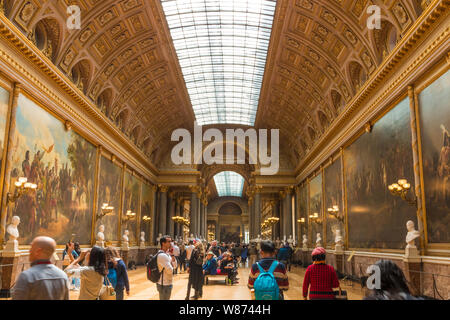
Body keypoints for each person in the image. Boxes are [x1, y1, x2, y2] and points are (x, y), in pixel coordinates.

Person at [156, 235, 177, 300]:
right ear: (163, 243)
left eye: (171, 241)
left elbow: (175, 266)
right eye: (169, 241)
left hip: (168, 282)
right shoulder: (162, 255)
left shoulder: (167, 254)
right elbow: (170, 271)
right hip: (163, 284)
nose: (170, 243)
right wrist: (171, 265)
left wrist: (172, 255)